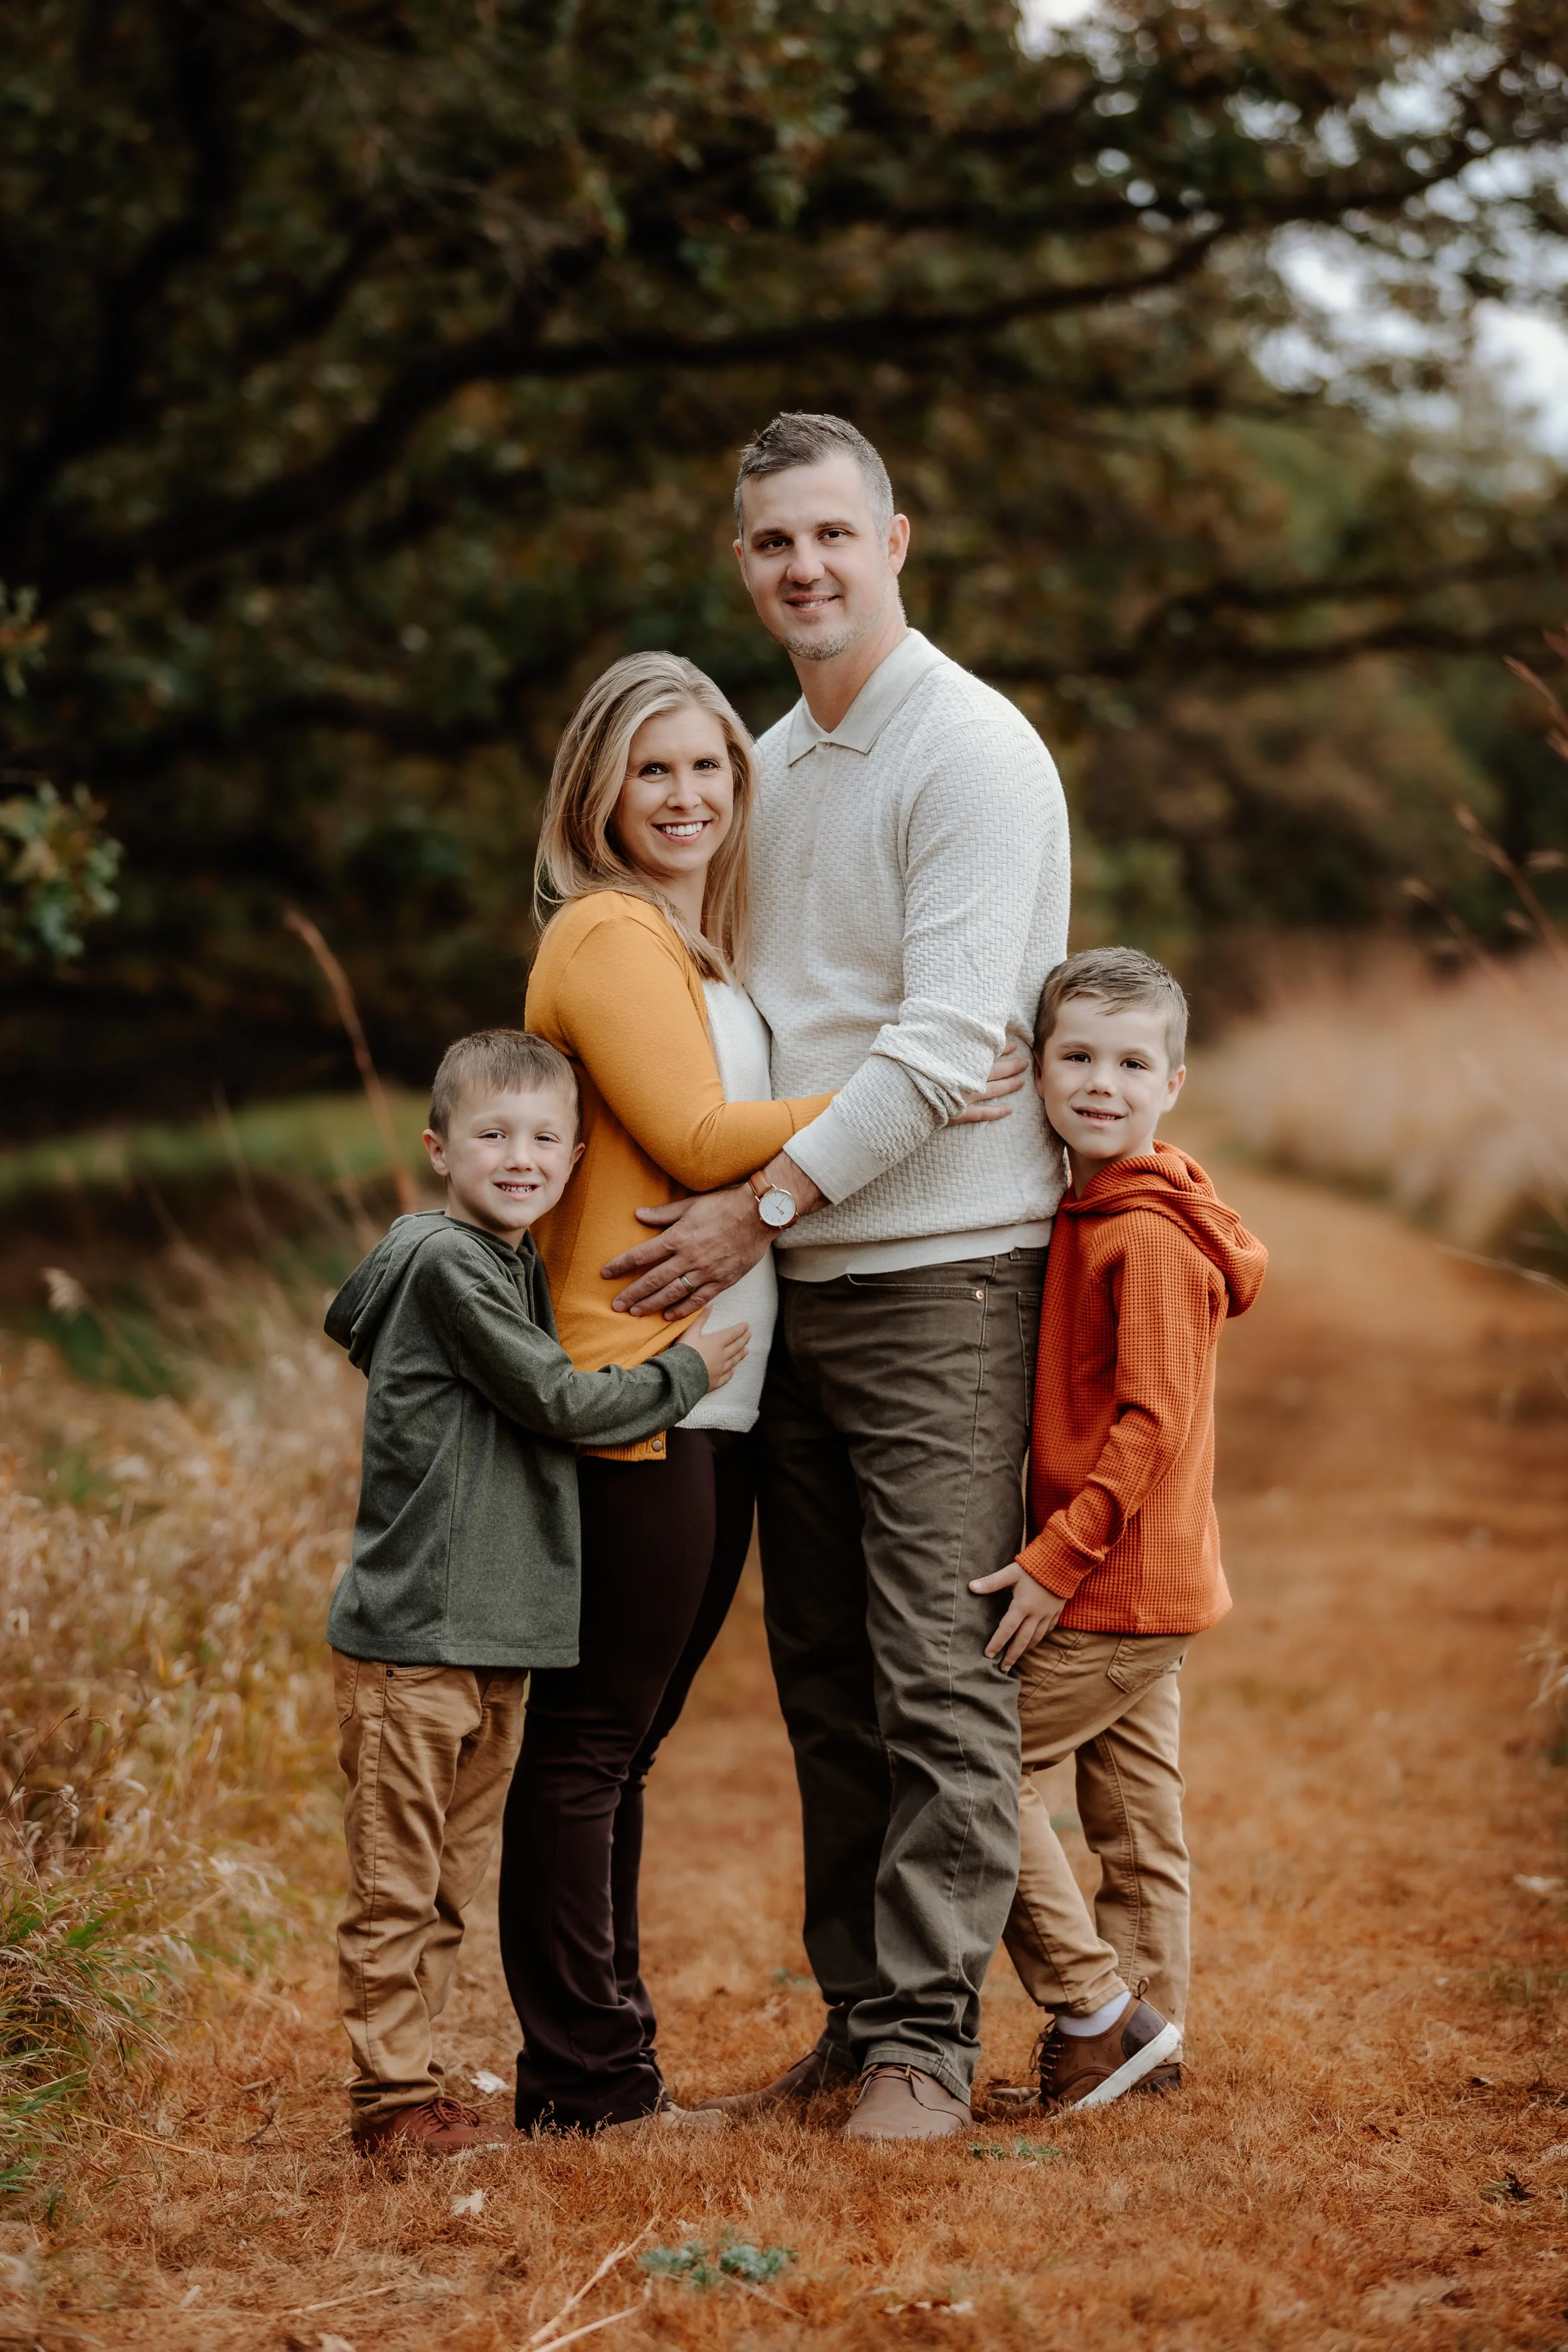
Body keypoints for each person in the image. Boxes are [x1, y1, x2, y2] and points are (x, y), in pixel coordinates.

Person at [605, 412, 1071, 2141]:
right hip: (794, 1278)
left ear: (895, 538)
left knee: (937, 1664)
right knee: (824, 1670)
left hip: (941, 1267)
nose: (801, 566)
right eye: (768, 544)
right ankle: (856, 2016)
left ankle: (928, 2049)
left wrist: (759, 1204)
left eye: (828, 534)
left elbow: (955, 1033)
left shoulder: (972, 750)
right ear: (742, 565)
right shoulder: (768, 762)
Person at [324, 1027, 745, 2156]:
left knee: (450, 1884)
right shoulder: (449, 1262)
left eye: (547, 1137)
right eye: (494, 1133)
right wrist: (688, 1371)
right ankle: (389, 2102)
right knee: (398, 1884)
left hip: (491, 1637)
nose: (522, 1156)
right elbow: (560, 1401)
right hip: (417, 1637)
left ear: (575, 1160)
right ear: (439, 1146)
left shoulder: (508, 1261)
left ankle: (414, 2085)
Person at [976, 948, 1266, 2113]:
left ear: (1173, 1083)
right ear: (1039, 1069)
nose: (1102, 1082)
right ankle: (1146, 2056)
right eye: (1078, 1055)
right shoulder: (1109, 1202)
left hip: (1114, 1584)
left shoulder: (1140, 1235)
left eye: (1131, 1061)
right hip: (1156, 1586)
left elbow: (1152, 1420)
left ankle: (1100, 2011)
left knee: (964, 1763)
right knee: (1137, 1816)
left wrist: (1059, 1555)